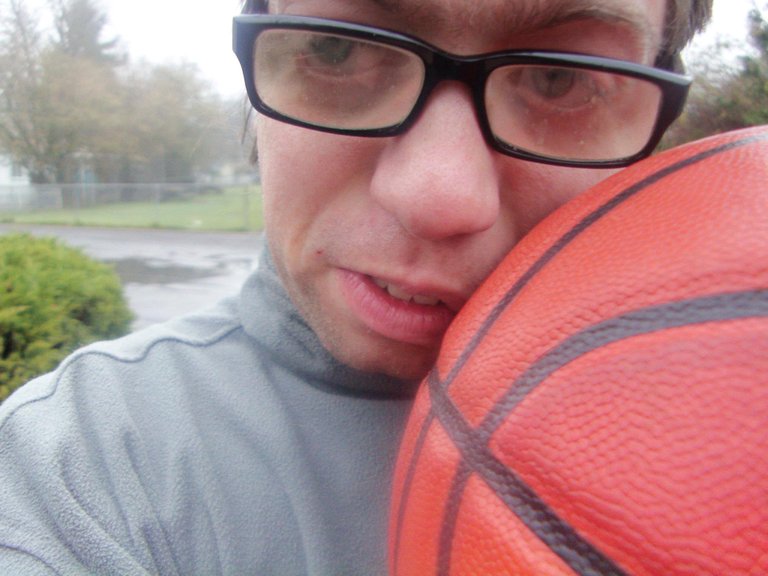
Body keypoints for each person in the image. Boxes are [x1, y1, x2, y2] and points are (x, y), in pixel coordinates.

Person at [0, 0, 712, 573]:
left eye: (561, 78)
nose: (439, 195)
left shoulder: (725, 426)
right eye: (340, 48)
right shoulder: (80, 469)